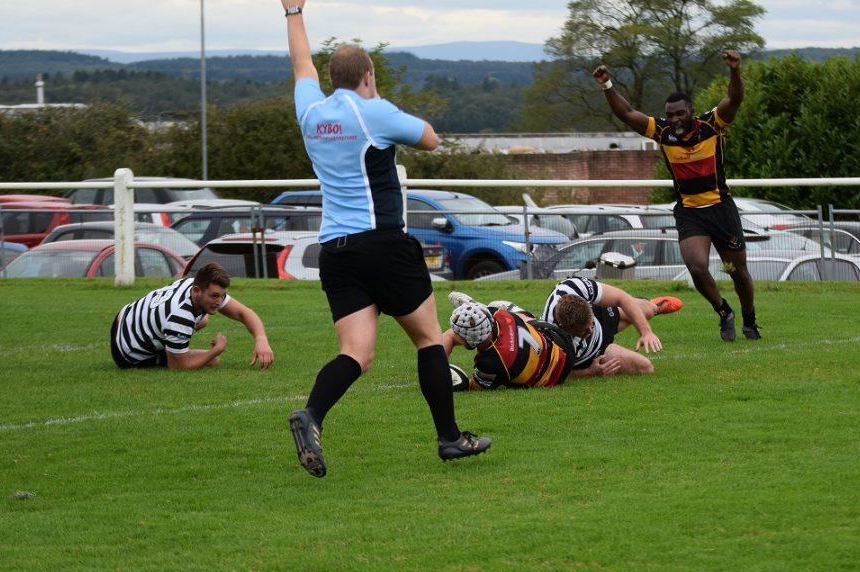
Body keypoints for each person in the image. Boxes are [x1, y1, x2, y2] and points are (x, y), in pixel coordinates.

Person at [281, 0, 490, 478]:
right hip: (382, 244)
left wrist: (293, 10)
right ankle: (450, 438)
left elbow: (299, 64)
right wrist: (386, 112)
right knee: (428, 341)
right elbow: (431, 139)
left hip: (336, 251)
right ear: (369, 75)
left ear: (332, 79)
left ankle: (311, 414)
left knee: (356, 353)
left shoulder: (311, 110)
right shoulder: (373, 111)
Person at [593, 50, 761, 342]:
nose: (674, 119)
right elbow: (626, 113)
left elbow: (734, 100)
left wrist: (735, 71)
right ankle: (724, 312)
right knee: (696, 267)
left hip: (721, 208)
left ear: (691, 112)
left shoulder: (713, 125)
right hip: (690, 212)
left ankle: (749, 318)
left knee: (737, 271)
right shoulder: (662, 132)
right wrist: (607, 85)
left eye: (679, 113)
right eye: (669, 115)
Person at [450, 284, 681, 378]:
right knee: (646, 368)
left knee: (644, 310)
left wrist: (646, 332)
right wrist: (590, 371)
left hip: (602, 316)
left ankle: (653, 306)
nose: (589, 331)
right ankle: (475, 310)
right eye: (585, 332)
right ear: (569, 330)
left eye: (589, 325)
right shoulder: (558, 343)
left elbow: (620, 296)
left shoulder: (571, 288)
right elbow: (559, 371)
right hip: (599, 351)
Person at [110, 262, 274, 371]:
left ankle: (171, 335)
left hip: (123, 317)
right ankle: (168, 338)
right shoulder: (180, 316)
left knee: (202, 319)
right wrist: (216, 350)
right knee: (211, 361)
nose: (219, 301)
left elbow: (243, 313)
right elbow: (179, 367)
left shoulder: (193, 284)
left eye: (222, 296)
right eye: (214, 296)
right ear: (197, 291)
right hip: (127, 352)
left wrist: (261, 340)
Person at [442, 300, 575, 390]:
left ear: (470, 340)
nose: (454, 334)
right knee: (498, 305)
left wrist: (439, 368)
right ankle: (472, 305)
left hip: (554, 378)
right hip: (563, 345)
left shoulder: (490, 363)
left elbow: (474, 386)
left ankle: (471, 306)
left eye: (457, 333)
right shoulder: (499, 314)